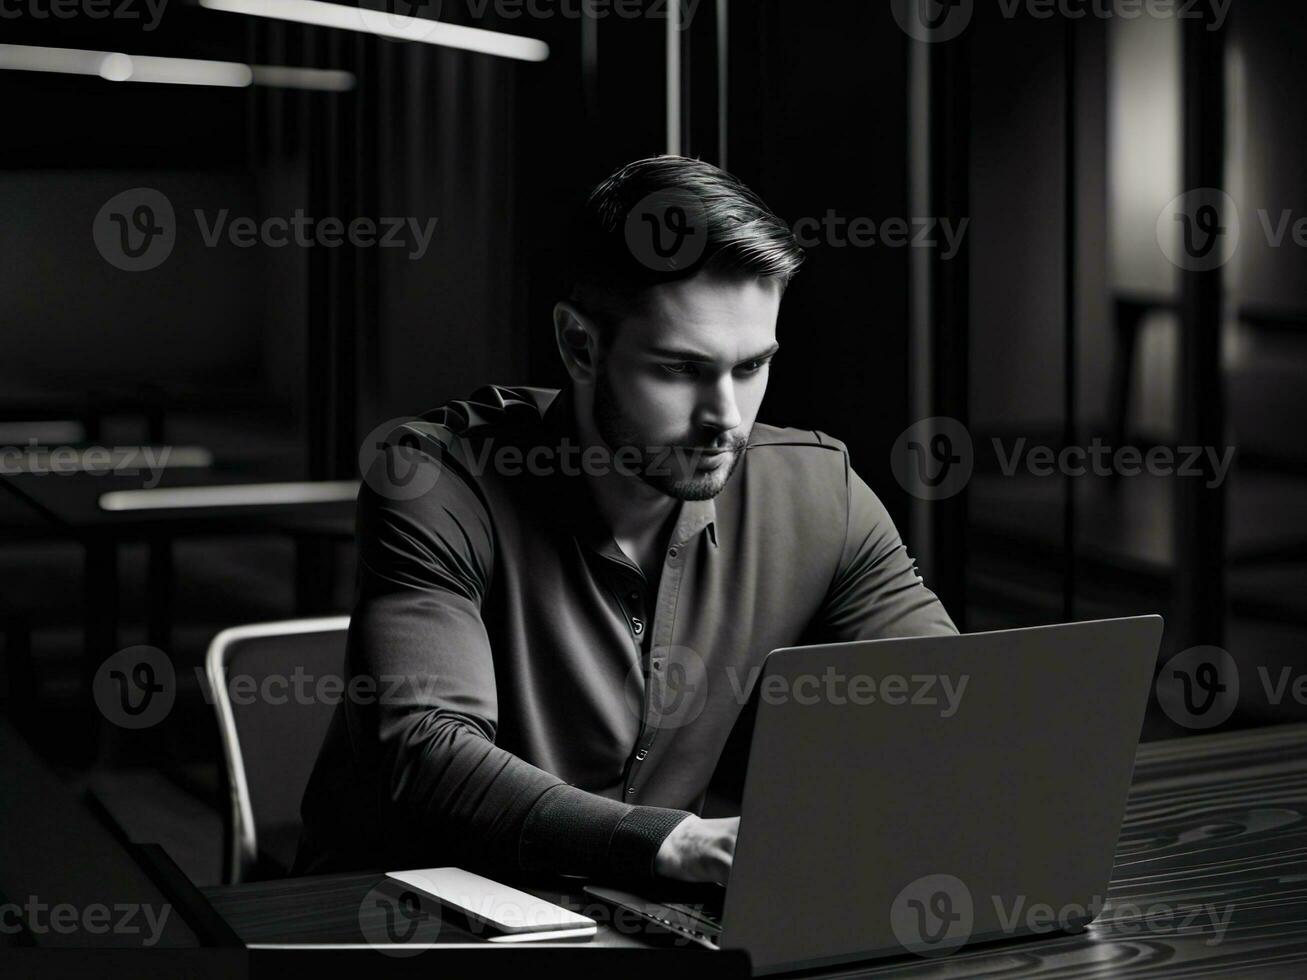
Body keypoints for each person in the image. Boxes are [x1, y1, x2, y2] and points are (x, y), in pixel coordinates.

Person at [293, 155, 956, 886]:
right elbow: (423, 750)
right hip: (401, 917)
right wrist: (666, 844)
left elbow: (944, 699)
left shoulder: (817, 491)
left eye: (749, 367)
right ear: (581, 346)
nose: (724, 419)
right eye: (678, 370)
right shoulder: (432, 479)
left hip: (627, 910)